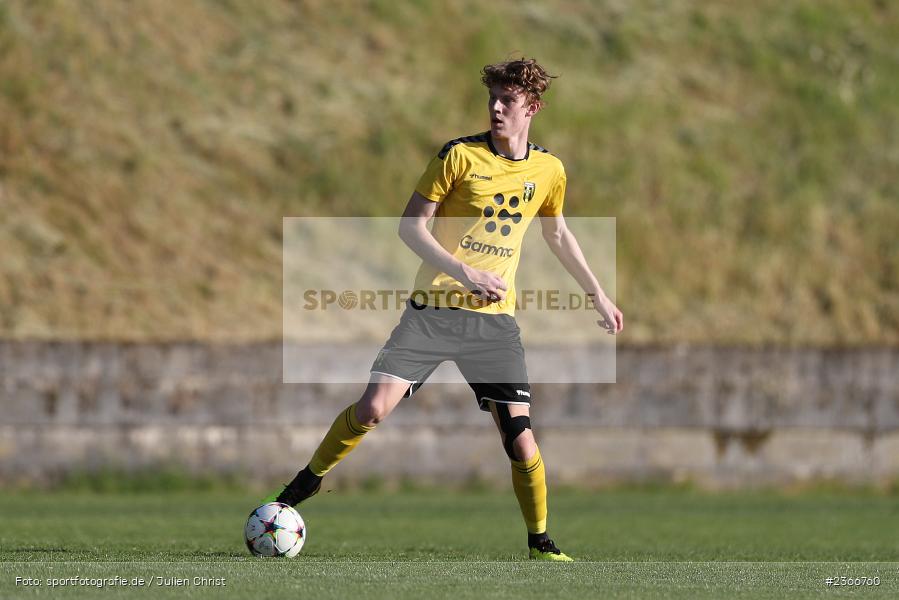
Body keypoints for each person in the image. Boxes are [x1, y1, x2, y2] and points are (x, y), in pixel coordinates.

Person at [271, 57, 623, 561]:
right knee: (371, 409)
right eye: (492, 100)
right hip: (432, 313)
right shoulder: (458, 156)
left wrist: (599, 294)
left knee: (521, 439)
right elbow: (410, 227)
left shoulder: (549, 169)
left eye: (508, 101)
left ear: (533, 108)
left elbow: (558, 234)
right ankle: (301, 487)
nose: (497, 109)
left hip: (494, 324)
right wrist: (466, 273)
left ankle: (540, 543)